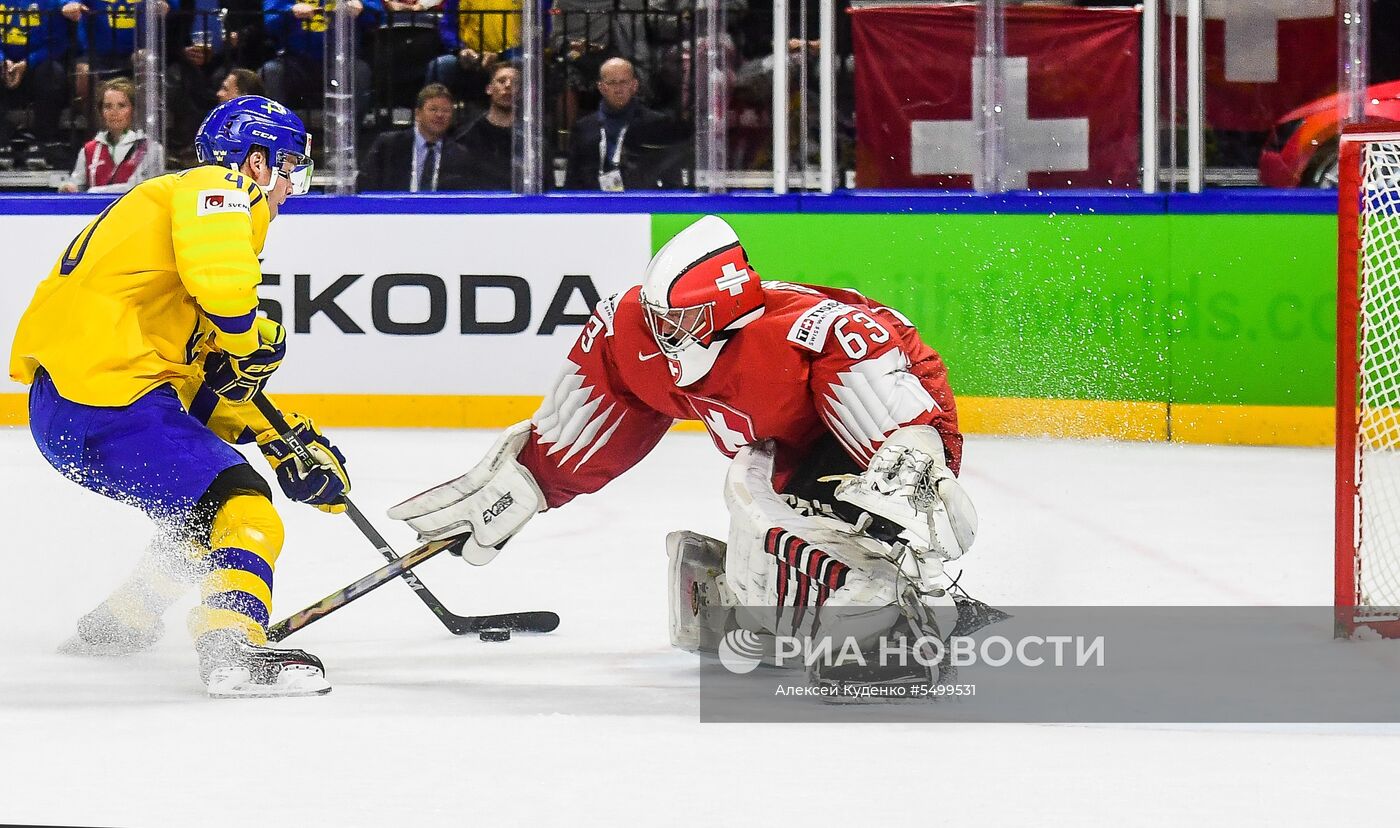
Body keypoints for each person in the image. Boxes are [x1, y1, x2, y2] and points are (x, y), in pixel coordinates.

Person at [387, 215, 985, 693]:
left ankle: (902, 619)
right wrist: (526, 483)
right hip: (784, 448)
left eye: (683, 320)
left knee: (872, 505)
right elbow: (594, 423)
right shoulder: (633, 335)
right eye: (658, 318)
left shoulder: (818, 332)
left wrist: (909, 473)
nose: (664, 334)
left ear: (727, 311)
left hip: (867, 434)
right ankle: (790, 599)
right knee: (756, 510)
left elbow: (904, 424)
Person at [10, 95, 351, 698]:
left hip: (75, 408)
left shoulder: (164, 252)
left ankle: (124, 620)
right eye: (290, 166)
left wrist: (281, 438)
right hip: (110, 397)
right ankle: (233, 647)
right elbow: (222, 284)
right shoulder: (214, 188)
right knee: (244, 508)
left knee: (199, 513)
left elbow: (204, 385)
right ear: (254, 161)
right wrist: (247, 333)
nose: (293, 185)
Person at [563, 56, 684, 191]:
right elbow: (572, 184)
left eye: (623, 82)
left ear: (634, 85)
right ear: (601, 87)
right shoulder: (583, 129)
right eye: (612, 82)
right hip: (594, 208)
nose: (618, 89)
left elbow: (672, 181)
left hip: (642, 206)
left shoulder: (658, 125)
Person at [261, 0, 378, 116]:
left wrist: (362, 8)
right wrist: (290, 11)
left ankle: (354, 131)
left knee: (360, 72)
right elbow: (270, 21)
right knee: (271, 71)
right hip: (294, 59)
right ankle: (277, 129)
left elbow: (377, 16)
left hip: (342, 60)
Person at [358, 82, 471, 191]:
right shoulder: (388, 145)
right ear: (417, 114)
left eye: (446, 111)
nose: (439, 115)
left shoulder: (460, 155)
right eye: (433, 109)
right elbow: (364, 186)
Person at [57, 78, 164, 193]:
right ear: (101, 112)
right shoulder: (89, 150)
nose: (114, 112)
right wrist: (69, 187)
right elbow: (77, 184)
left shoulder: (150, 149)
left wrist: (95, 192)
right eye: (108, 106)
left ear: (133, 110)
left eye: (121, 106)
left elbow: (137, 189)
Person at [0, 0, 67, 170]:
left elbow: (58, 43)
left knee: (53, 73)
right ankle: (2, 143)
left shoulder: (51, 3)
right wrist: (2, 61)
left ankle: (43, 144)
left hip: (37, 69)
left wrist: (28, 62)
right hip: (5, 68)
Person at [452, 60, 515, 190]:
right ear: (489, 89)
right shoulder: (466, 137)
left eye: (514, 82)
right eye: (501, 81)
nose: (508, 86)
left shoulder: (532, 141)